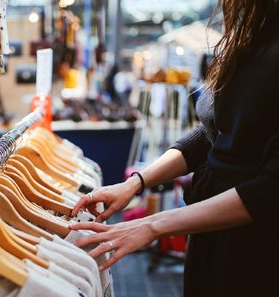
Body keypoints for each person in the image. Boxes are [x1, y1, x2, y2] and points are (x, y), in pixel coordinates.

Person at [70, 1, 279, 296]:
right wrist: (136, 183)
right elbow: (213, 134)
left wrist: (154, 225)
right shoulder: (249, 34)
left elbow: (271, 191)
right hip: (213, 232)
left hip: (255, 245)